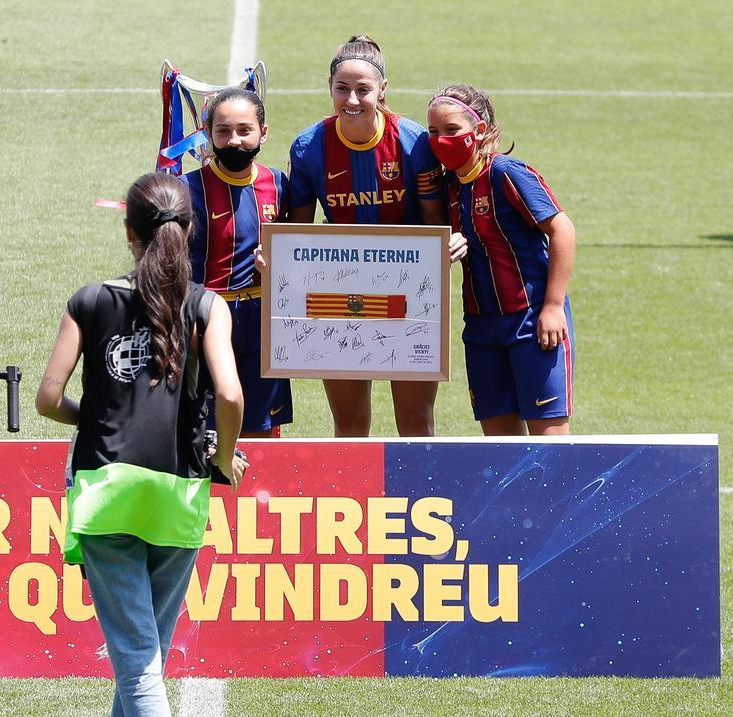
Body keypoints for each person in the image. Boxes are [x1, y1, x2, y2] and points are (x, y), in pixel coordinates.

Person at [35, 172, 246, 716]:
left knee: (136, 655)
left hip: (106, 488)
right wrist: (221, 457)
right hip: (178, 491)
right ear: (190, 229)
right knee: (145, 651)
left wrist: (95, 416)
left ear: (128, 230)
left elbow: (48, 398)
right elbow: (229, 393)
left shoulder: (90, 301)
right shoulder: (206, 305)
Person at [281, 34, 467, 437]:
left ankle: (421, 497)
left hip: (409, 290)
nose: (351, 100)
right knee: (348, 424)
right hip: (339, 290)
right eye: (341, 89)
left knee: (416, 422)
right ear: (329, 88)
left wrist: (448, 242)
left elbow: (435, 223)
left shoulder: (414, 141)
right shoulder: (309, 147)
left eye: (363, 90)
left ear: (382, 89)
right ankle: (353, 500)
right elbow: (296, 232)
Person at [427, 84, 576, 436]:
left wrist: (553, 306)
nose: (440, 139)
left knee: (548, 446)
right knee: (501, 448)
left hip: (532, 322)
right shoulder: (447, 187)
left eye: (451, 130)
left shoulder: (506, 173)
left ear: (478, 131)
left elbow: (563, 230)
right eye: (433, 132)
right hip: (480, 329)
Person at [180, 87, 292, 438]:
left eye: (245, 130)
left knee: (261, 427)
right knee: (204, 428)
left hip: (263, 323)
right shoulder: (186, 188)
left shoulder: (278, 183)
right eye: (223, 131)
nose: (234, 141)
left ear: (263, 132)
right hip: (204, 320)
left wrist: (279, 264)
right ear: (208, 134)